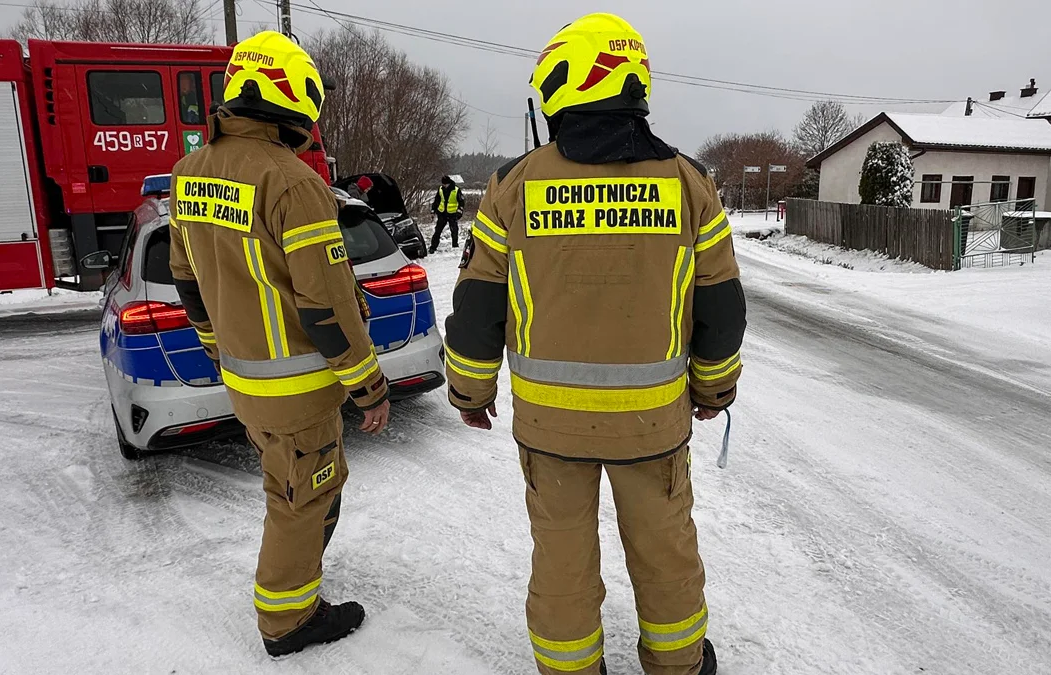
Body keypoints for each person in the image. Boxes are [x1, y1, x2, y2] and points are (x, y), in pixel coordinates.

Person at [443, 13, 745, 675]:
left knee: (561, 561)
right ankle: (677, 665)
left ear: (564, 85)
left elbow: (476, 309)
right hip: (652, 425)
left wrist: (469, 391)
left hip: (552, 428)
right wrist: (713, 388)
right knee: (666, 555)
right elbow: (720, 306)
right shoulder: (689, 183)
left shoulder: (512, 185)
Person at [167, 31, 391, 657]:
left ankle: (297, 585)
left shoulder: (190, 172)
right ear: (293, 100)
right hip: (296, 390)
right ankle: (288, 619)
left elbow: (188, 281)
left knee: (294, 485)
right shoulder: (291, 181)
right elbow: (326, 306)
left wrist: (216, 349)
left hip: (246, 382)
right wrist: (370, 386)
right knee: (304, 495)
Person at [429, 174, 464, 252]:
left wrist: (459, 212)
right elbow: (436, 201)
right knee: (437, 231)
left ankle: (455, 246)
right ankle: (433, 247)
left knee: (454, 231)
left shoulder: (456, 190)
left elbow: (461, 202)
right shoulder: (440, 189)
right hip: (442, 214)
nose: (444, 185)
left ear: (449, 183)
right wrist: (433, 211)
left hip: (452, 214)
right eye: (443, 184)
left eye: (445, 184)